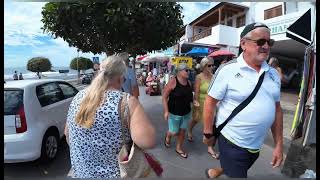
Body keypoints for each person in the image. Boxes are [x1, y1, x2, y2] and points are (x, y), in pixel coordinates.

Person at [203, 22, 283, 178]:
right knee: (238, 172)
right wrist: (207, 133)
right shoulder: (227, 70)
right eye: (260, 42)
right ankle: (228, 167)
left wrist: (279, 144)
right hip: (232, 141)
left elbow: (277, 109)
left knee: (237, 168)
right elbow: (210, 101)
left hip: (255, 145)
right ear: (243, 44)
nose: (266, 46)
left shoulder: (273, 74)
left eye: (269, 42)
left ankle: (219, 170)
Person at [64, 55, 156, 178]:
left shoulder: (78, 97)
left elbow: (67, 133)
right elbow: (147, 141)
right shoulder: (127, 102)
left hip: (82, 174)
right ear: (120, 78)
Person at [187, 57, 219, 159]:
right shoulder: (198, 77)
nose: (212, 67)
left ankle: (210, 147)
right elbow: (196, 91)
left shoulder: (214, 77)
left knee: (209, 125)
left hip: (211, 103)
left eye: (212, 65)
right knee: (195, 119)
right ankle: (190, 131)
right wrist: (195, 101)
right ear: (204, 66)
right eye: (209, 65)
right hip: (200, 102)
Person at [162, 63, 193, 158]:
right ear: (179, 72)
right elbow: (164, 97)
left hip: (186, 112)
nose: (189, 72)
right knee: (174, 132)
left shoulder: (189, 82)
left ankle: (178, 148)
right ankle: (168, 135)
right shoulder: (172, 82)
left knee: (183, 131)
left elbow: (189, 96)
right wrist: (166, 111)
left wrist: (194, 101)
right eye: (186, 70)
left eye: (189, 70)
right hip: (174, 113)